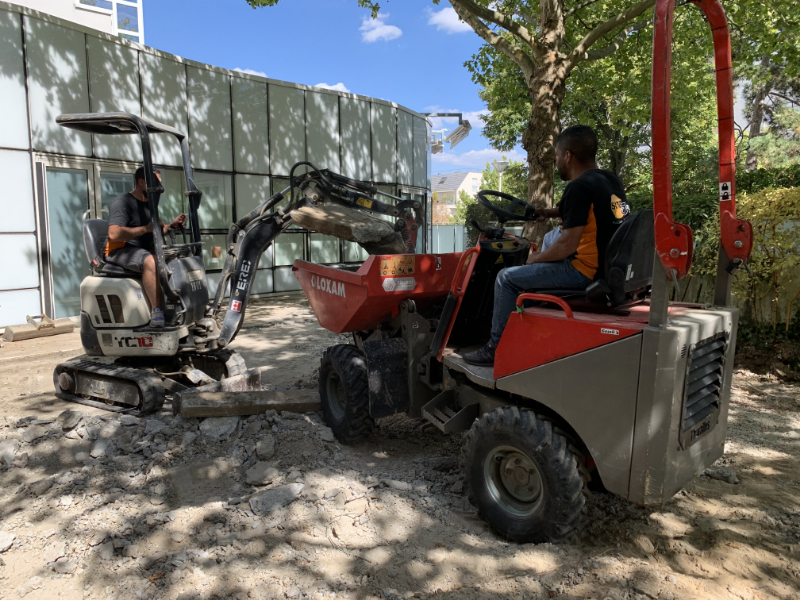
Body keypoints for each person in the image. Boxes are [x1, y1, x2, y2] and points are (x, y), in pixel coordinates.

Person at [463, 125, 630, 366]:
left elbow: (566, 246)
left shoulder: (578, 187)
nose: (557, 161)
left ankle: (496, 348)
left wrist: (533, 259)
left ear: (568, 155)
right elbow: (589, 211)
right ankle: (523, 335)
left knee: (506, 278)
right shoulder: (609, 181)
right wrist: (548, 212)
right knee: (529, 274)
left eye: (558, 155)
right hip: (608, 268)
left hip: (583, 271)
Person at [105, 167, 186, 328]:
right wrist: (145, 229)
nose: (159, 189)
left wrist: (171, 226)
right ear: (142, 182)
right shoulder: (122, 203)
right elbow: (114, 234)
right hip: (120, 250)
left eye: (160, 184)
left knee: (181, 259)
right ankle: (156, 311)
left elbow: (157, 229)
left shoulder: (150, 205)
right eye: (155, 184)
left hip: (143, 250)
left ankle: (183, 306)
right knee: (151, 261)